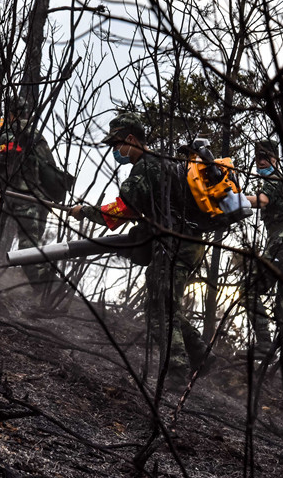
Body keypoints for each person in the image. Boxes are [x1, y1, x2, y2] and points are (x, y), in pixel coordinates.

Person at [69, 112, 206, 389]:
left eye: (117, 144)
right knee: (165, 304)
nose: (115, 151)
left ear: (131, 139)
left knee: (159, 309)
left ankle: (177, 373)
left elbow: (123, 209)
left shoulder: (146, 166)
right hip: (190, 243)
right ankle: (202, 355)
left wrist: (85, 211)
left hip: (174, 245)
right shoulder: (165, 164)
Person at [0, 95, 73, 291]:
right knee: (32, 246)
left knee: (26, 250)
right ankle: (50, 291)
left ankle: (51, 289)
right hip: (41, 198)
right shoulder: (36, 133)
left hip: (24, 198)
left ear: (10, 113)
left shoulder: (12, 132)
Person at [242, 140, 283, 362]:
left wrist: (235, 201)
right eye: (257, 156)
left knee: (249, 290)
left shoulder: (274, 179)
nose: (261, 161)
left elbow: (261, 201)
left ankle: (264, 344)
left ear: (276, 158)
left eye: (266, 156)